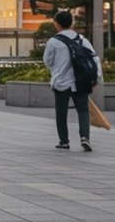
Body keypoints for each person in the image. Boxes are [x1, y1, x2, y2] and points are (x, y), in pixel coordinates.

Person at [44, 9, 102, 152]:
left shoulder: (53, 42)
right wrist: (96, 78)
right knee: (83, 110)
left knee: (61, 112)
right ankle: (85, 137)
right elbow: (94, 58)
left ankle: (64, 141)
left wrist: (57, 69)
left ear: (56, 24)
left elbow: (48, 61)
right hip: (81, 81)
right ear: (72, 23)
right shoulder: (82, 39)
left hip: (61, 82)